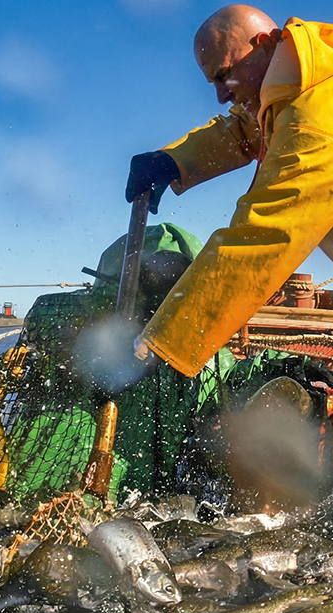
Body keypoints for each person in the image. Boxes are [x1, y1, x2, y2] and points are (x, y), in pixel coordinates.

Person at [126, 6, 333, 378]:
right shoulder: (293, 88)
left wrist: (163, 343)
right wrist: (172, 160)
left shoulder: (317, 118)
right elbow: (243, 130)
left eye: (225, 75)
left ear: (266, 44)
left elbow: (265, 236)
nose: (221, 95)